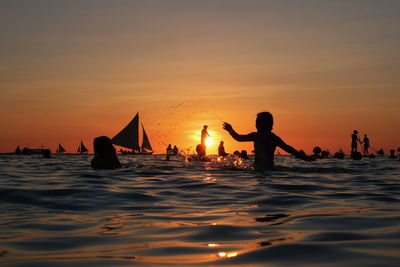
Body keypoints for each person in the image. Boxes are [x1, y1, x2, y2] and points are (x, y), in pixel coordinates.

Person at [222, 112, 310, 170]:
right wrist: (302, 157)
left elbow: (239, 138)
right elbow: (287, 148)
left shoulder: (256, 135)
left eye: (256, 122)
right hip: (271, 168)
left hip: (259, 168)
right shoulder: (274, 137)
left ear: (259, 124)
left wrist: (230, 130)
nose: (255, 124)